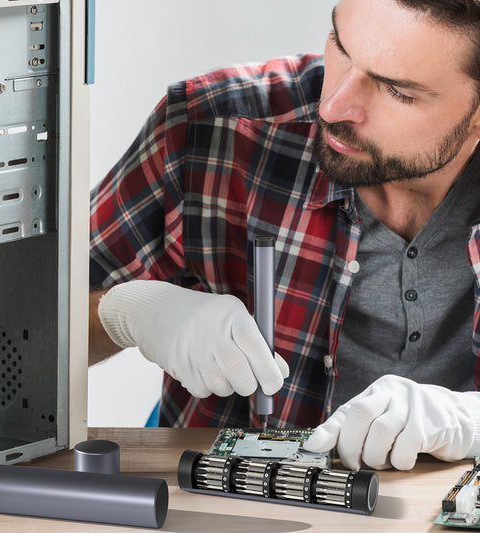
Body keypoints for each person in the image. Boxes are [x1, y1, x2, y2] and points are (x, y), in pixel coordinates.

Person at [89, 0, 480, 471]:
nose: (333, 106)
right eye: (341, 45)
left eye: (397, 91)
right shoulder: (209, 126)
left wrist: (471, 420)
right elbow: (10, 336)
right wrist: (123, 313)